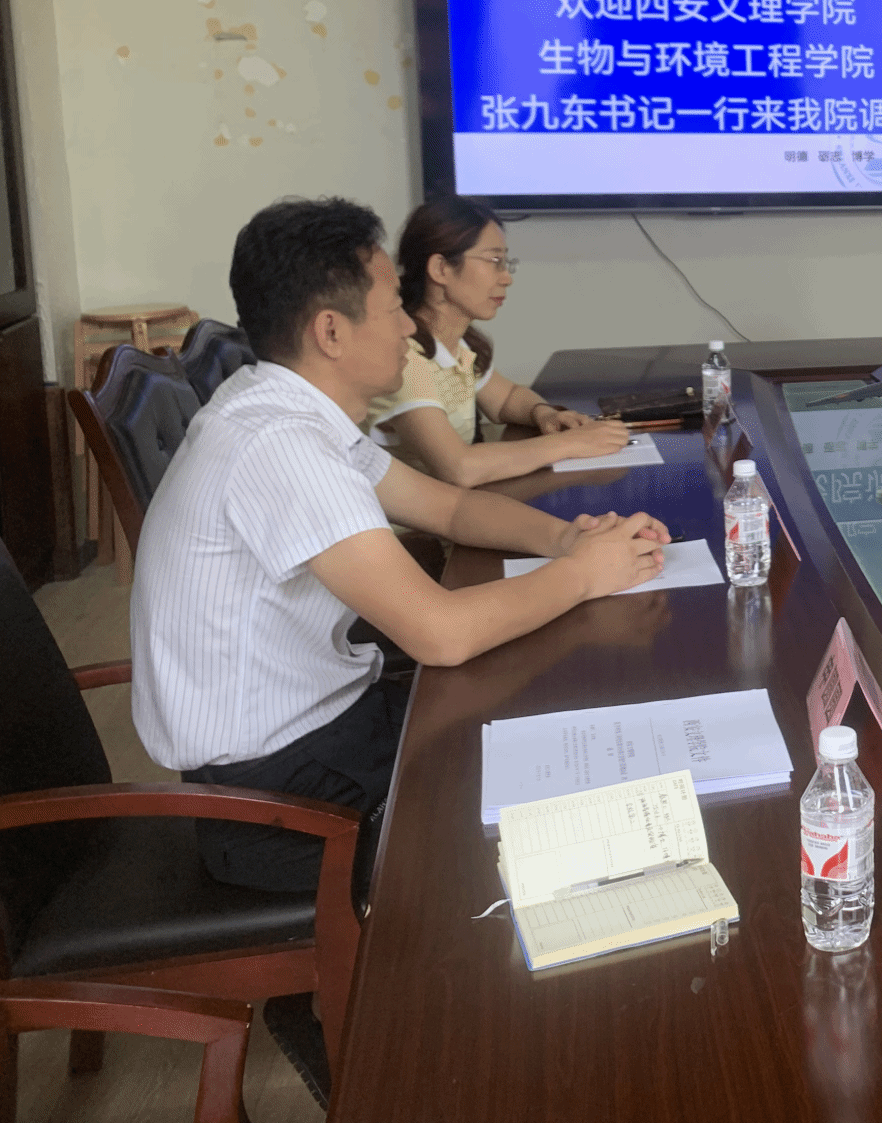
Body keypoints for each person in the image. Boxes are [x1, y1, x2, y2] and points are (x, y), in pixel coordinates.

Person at [131, 197, 670, 893]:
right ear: (331, 331)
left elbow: (449, 507)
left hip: (325, 727)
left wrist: (569, 539)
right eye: (392, 308)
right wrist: (585, 575)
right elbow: (440, 634)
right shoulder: (281, 446)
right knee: (568, 812)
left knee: (544, 715)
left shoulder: (291, 407)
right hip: (280, 800)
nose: (410, 324)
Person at [364, 195, 629, 485]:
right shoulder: (405, 357)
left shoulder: (460, 346)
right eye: (494, 261)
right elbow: (459, 467)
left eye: (505, 263)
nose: (506, 278)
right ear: (440, 268)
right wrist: (570, 444)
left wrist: (544, 414)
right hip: (408, 515)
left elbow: (506, 399)